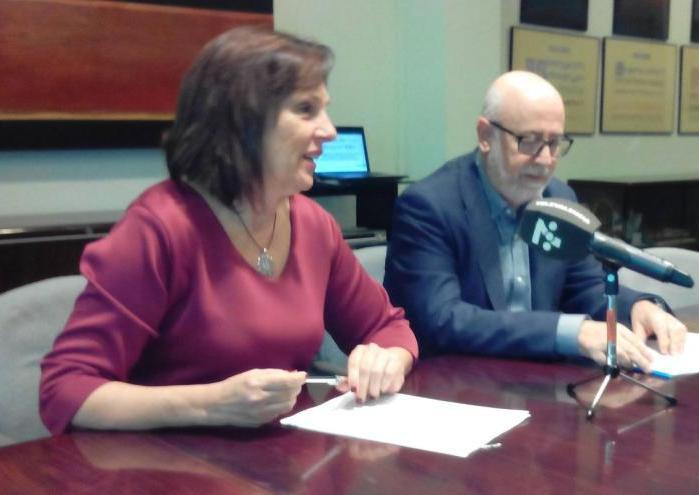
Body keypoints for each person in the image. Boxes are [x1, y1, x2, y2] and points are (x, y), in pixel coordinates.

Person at [39, 26, 418, 435]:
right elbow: (65, 389)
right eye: (306, 109)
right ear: (243, 121)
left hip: (282, 461)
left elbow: (388, 327)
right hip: (164, 465)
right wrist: (209, 404)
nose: (329, 130)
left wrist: (387, 359)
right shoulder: (160, 227)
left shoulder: (313, 224)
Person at [383, 71, 686, 372]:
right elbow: (443, 320)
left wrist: (636, 307)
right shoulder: (429, 206)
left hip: (541, 382)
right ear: (486, 136)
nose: (545, 159)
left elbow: (585, 286)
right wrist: (570, 332)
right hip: (459, 385)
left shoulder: (558, 198)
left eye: (555, 143)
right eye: (529, 142)